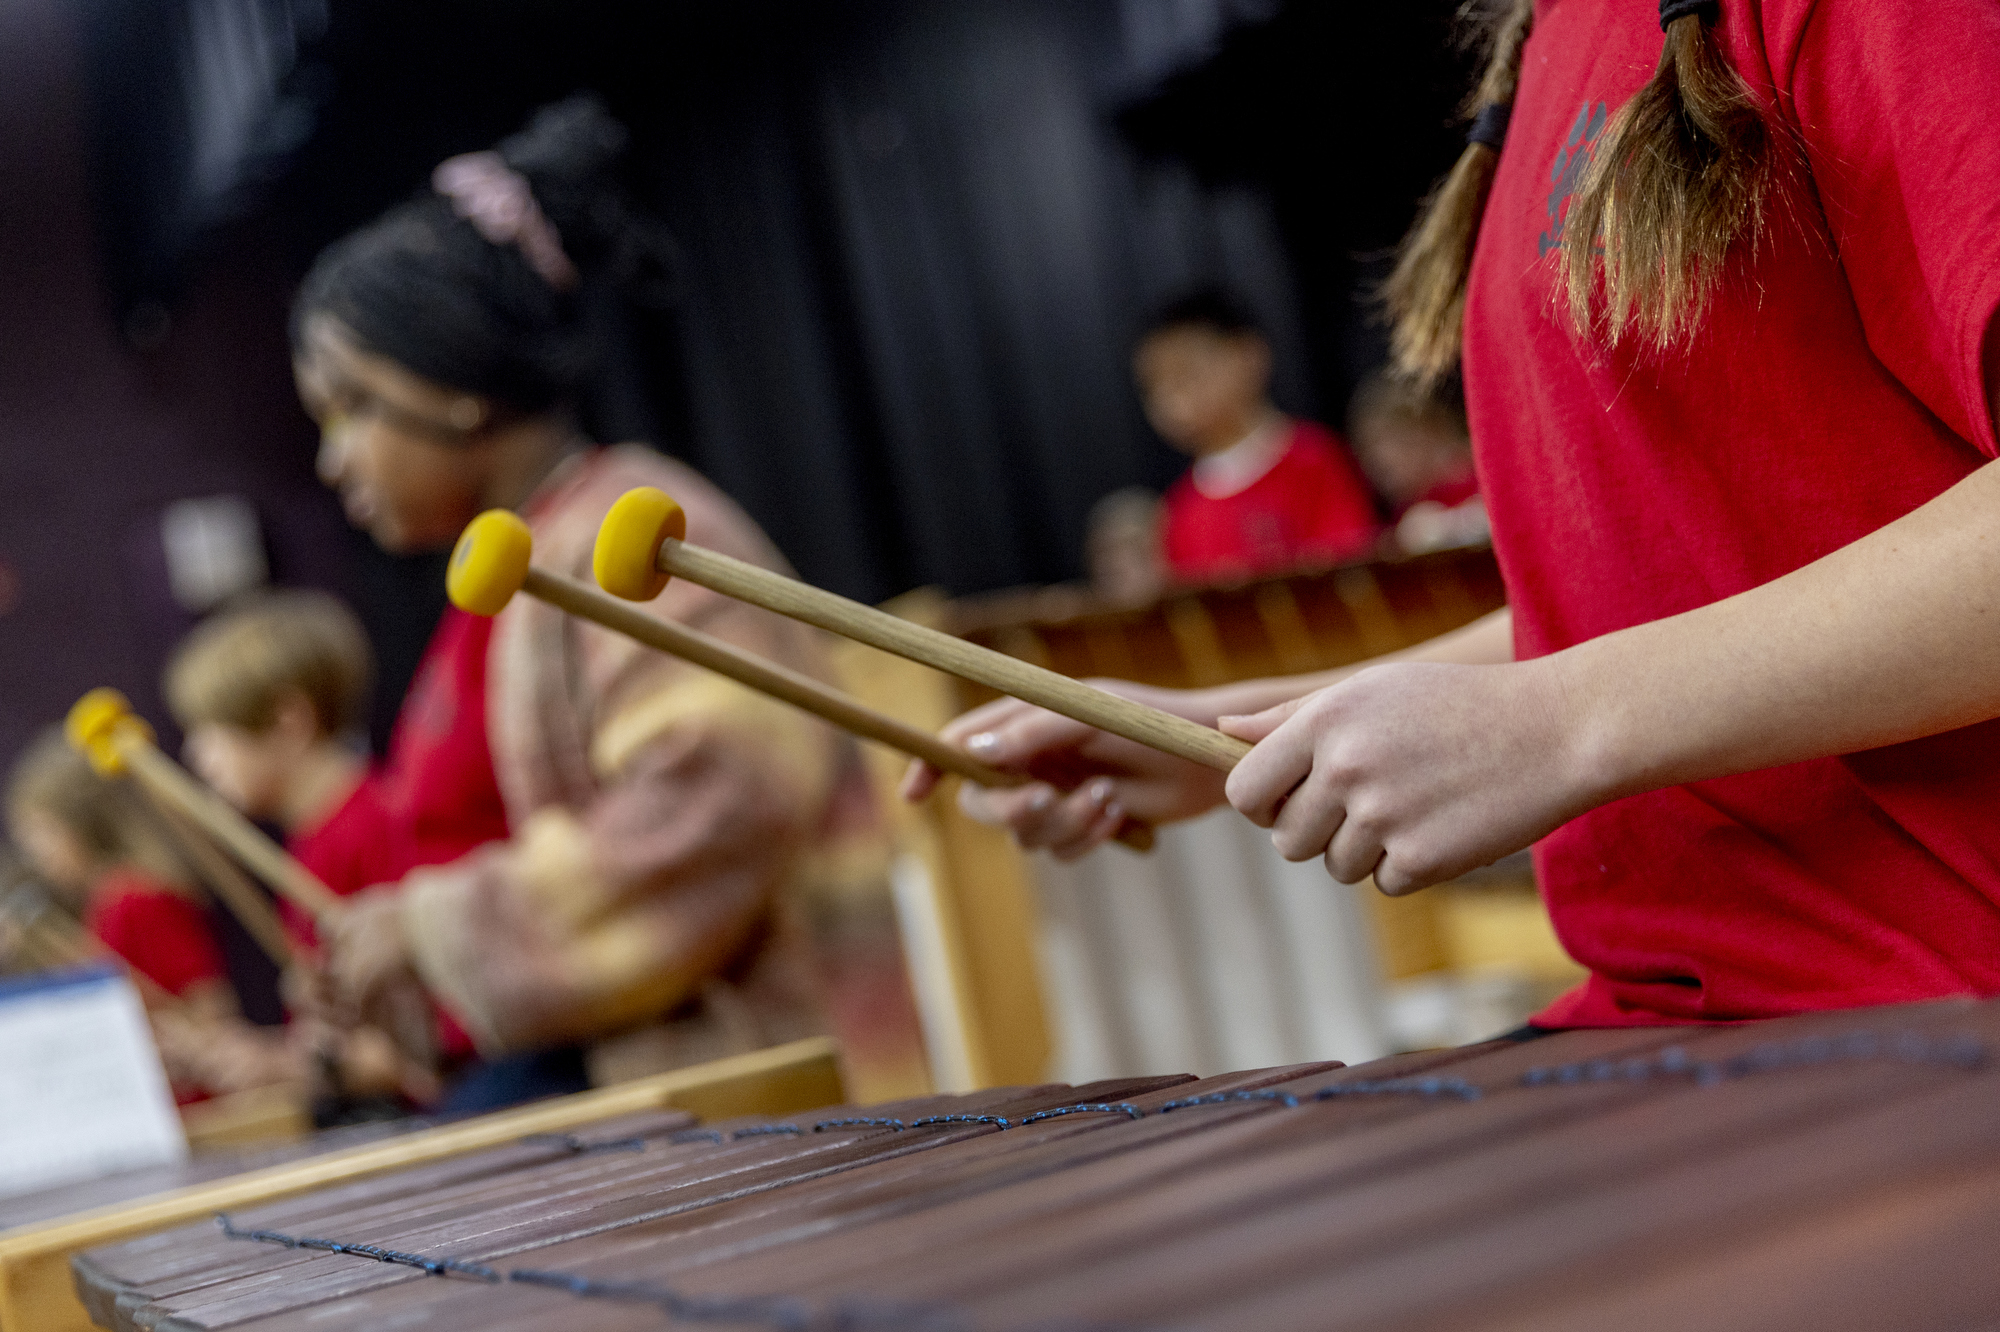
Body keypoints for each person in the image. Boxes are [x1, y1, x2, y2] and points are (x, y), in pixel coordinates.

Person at [908, 0, 2000, 1032]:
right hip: (1678, 1025)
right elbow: (1629, 600)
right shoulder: (1548, 47)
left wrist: (1561, 722)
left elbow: (1578, 688)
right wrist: (1245, 731)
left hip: (1926, 1012)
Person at [293, 94, 850, 1108]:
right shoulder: (514, 566)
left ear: (450, 380)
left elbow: (719, 804)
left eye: (351, 406)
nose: (334, 460)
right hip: (587, 1074)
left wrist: (429, 927)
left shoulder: (634, 534)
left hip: (722, 1085)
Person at [5, 732, 294, 1098]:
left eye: (39, 833)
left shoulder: (134, 898)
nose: (34, 853)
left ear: (80, 824)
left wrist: (182, 1042)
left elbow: (211, 1007)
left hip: (206, 1099)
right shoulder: (107, 903)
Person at [1137, 288, 1381, 585]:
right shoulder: (1178, 512)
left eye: (1185, 375)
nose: (1171, 402)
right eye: (1154, 388)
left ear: (1249, 355)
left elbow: (1355, 567)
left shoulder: (1315, 458)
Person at [1346, 370, 1487, 555]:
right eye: (1366, 449)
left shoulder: (1480, 475)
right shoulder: (1408, 508)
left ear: (1426, 433)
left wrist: (1442, 527)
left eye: (1388, 441)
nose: (1375, 462)